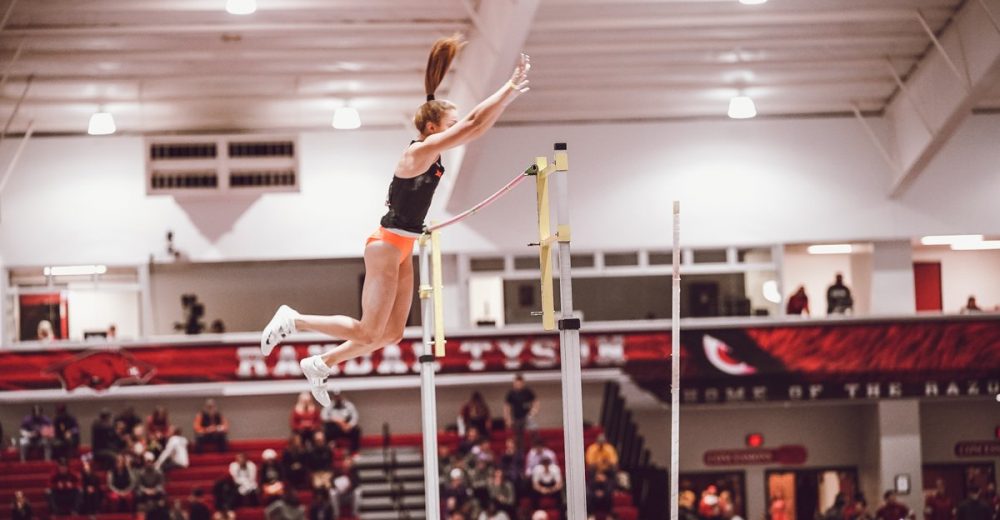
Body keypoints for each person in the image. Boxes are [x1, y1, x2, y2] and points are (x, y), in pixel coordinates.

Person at [259, 36, 532, 406]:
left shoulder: (430, 153)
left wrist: (507, 97)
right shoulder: (418, 152)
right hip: (386, 246)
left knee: (390, 335)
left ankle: (322, 362)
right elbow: (472, 125)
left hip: (403, 246)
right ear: (434, 127)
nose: (454, 129)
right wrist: (507, 89)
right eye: (448, 124)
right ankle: (295, 319)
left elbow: (470, 126)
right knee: (367, 329)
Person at [505, 373, 539, 452]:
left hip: (527, 416)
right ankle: (520, 452)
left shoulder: (528, 391)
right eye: (516, 383)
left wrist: (534, 410)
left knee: (534, 433)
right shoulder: (511, 393)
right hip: (516, 417)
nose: (518, 385)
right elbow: (507, 406)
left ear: (523, 383)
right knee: (518, 436)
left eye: (520, 383)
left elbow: (535, 401)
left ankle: (536, 449)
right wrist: (508, 418)